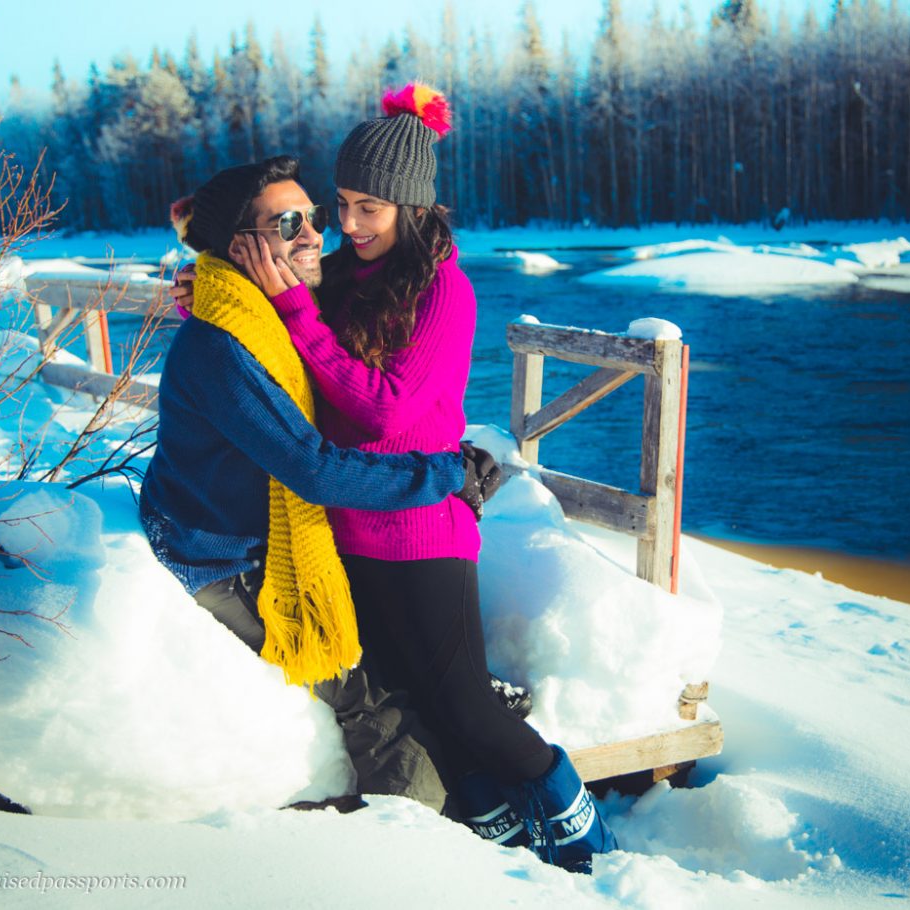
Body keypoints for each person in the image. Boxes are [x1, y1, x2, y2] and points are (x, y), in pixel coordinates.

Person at [228, 84, 617, 873]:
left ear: (409, 205)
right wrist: (221, 291)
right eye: (342, 203)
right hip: (348, 528)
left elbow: (382, 411)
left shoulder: (446, 292)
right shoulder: (342, 279)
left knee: (468, 707)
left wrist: (298, 315)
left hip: (420, 532)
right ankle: (500, 848)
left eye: (369, 207)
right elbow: (281, 325)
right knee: (419, 705)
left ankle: (584, 837)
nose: (349, 224)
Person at [140, 156, 492, 813]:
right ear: (240, 247)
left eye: (317, 218)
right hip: (226, 555)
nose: (314, 236)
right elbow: (315, 469)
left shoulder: (259, 308)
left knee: (414, 661)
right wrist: (443, 474)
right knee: (377, 703)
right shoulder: (224, 344)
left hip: (264, 528)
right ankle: (426, 846)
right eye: (290, 223)